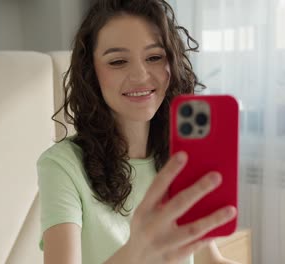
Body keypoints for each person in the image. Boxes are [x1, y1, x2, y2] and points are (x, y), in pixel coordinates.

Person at [37, 0, 238, 263]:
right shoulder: (62, 166)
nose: (141, 75)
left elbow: (208, 259)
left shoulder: (181, 156)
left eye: (154, 57)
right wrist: (137, 250)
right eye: (118, 61)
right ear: (91, 73)